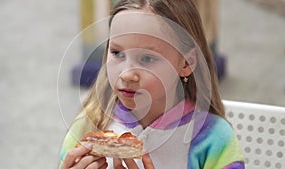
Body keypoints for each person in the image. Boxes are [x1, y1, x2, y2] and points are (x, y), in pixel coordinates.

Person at [59, 0, 245, 168]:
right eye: (117, 53)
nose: (127, 74)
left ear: (187, 64)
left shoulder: (213, 138)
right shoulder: (87, 126)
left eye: (147, 58)